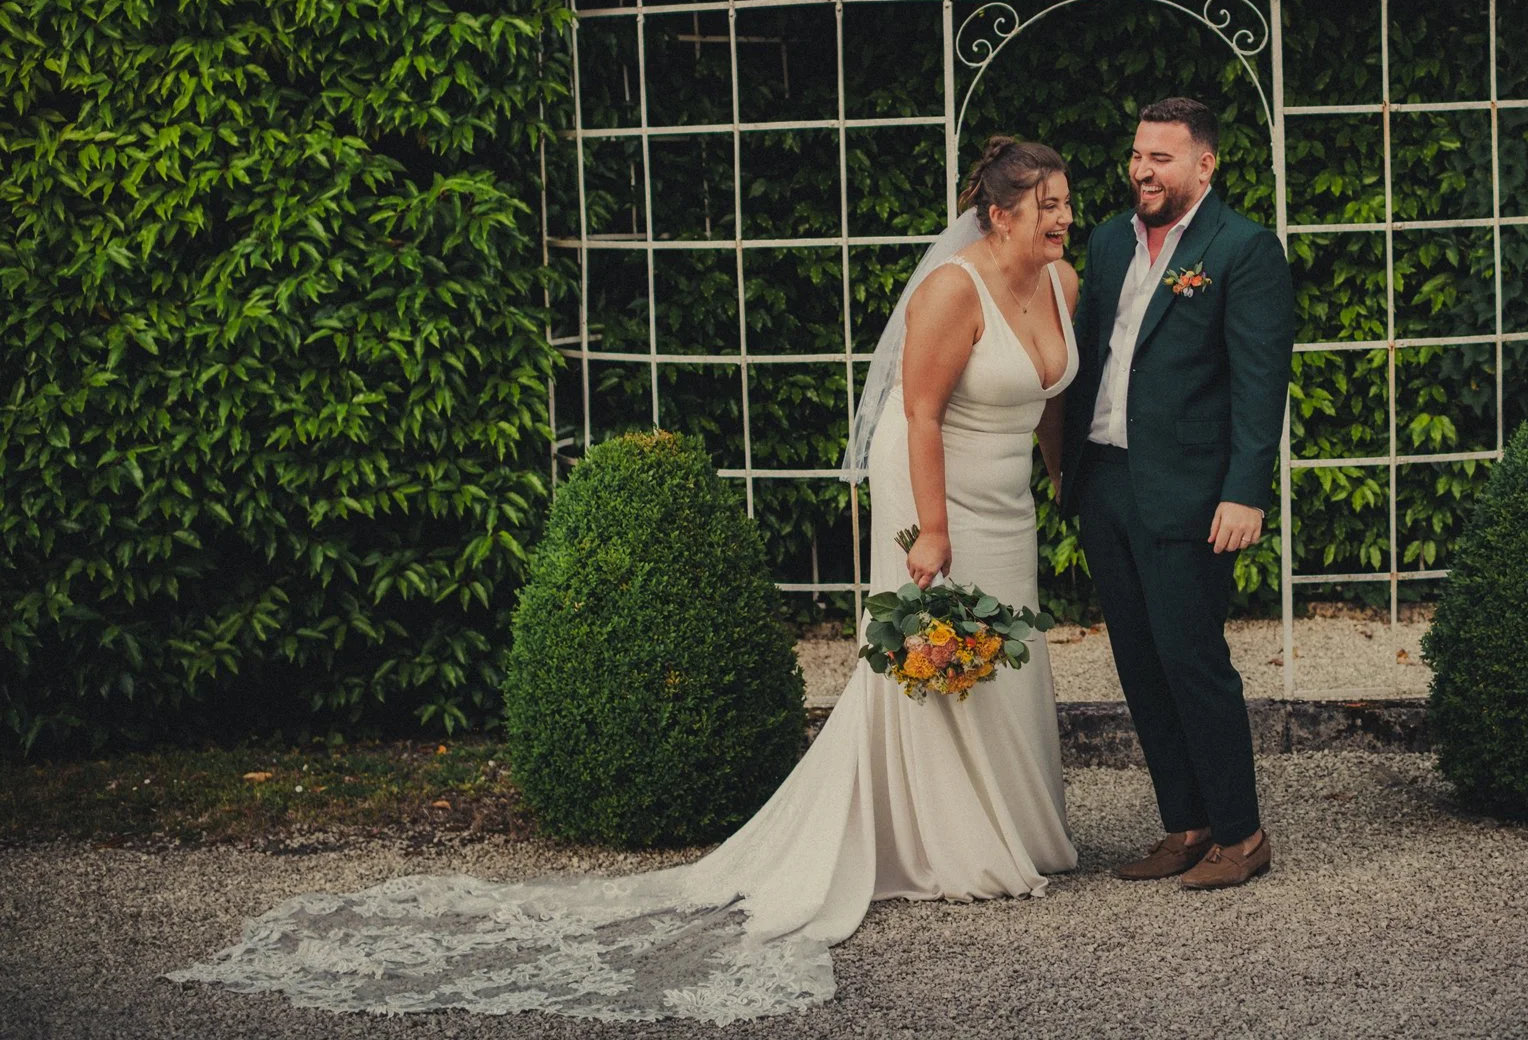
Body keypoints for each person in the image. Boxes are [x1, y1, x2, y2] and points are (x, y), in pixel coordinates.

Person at [166, 137, 1082, 1025]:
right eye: (1049, 206)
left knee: (1008, 644)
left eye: (1067, 203)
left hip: (1008, 499)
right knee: (937, 650)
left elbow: (1047, 399)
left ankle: (1023, 822)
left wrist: (1063, 480)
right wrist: (930, 531)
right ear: (997, 215)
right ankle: (955, 842)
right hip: (935, 487)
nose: (1065, 219)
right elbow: (918, 413)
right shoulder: (949, 292)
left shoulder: (1062, 283)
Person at [1061, 97, 1295, 891]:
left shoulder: (1244, 250)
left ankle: (1242, 832)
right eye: (1137, 154)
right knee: (1139, 664)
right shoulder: (1104, 242)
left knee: (1193, 660)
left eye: (1161, 157)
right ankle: (1186, 825)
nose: (1142, 170)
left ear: (1206, 164)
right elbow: (1087, 353)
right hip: (1106, 482)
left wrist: (1245, 492)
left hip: (1192, 492)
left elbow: (1261, 385)